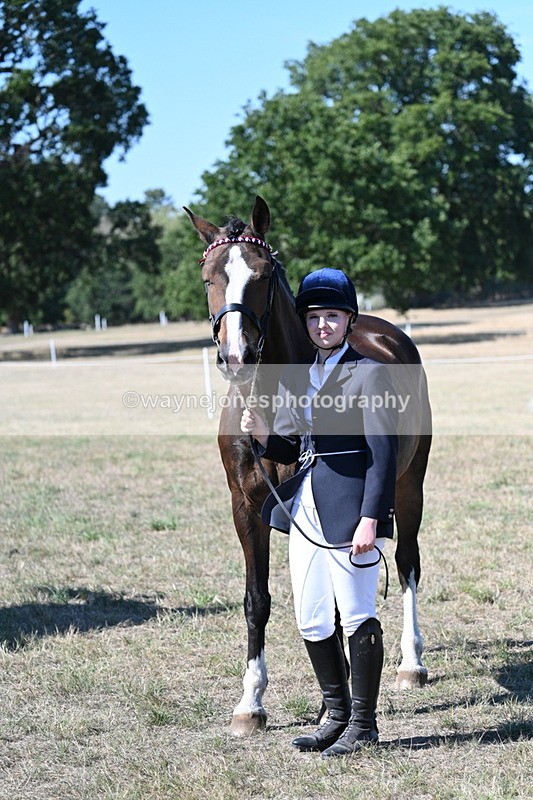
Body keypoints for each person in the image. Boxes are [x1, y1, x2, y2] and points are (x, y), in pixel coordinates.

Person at [241, 268, 398, 758]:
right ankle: (335, 714)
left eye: (332, 316)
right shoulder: (299, 376)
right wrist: (264, 434)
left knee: (356, 613)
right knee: (311, 617)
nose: (323, 325)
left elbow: (383, 452)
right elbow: (294, 446)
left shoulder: (370, 372)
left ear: (349, 320)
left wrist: (372, 518)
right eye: (314, 317)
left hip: (350, 508)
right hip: (303, 507)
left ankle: (364, 724)